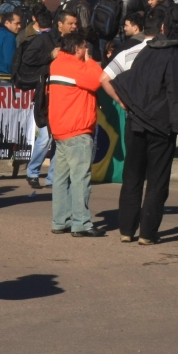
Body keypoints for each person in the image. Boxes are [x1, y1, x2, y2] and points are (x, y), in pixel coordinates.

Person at [109, 6, 178, 245]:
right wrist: (177, 123)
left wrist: (127, 105)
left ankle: (126, 229)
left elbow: (119, 80)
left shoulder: (142, 52)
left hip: (137, 121)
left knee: (132, 177)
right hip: (161, 126)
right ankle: (147, 233)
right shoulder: (177, 55)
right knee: (157, 181)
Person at [45, 33, 106, 238]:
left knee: (61, 179)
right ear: (78, 48)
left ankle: (60, 221)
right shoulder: (76, 66)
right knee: (80, 178)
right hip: (77, 129)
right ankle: (81, 223)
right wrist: (90, 60)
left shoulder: (57, 64)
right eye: (85, 47)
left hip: (60, 130)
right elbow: (97, 80)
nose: (86, 50)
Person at [23, 7, 77, 189]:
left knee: (61, 139)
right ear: (60, 24)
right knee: (46, 136)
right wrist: (50, 55)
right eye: (70, 23)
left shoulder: (74, 42)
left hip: (66, 96)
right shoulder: (44, 39)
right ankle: (32, 171)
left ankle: (53, 178)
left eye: (75, 23)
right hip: (47, 95)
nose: (74, 26)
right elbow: (28, 58)